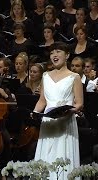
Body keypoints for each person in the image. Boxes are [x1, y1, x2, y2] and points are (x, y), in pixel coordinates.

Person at [32, 41, 83, 180]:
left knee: (63, 155)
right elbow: (42, 100)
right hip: (48, 121)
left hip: (65, 121)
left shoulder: (74, 77)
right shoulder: (45, 76)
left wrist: (69, 111)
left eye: (58, 51)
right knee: (46, 156)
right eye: (52, 52)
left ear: (67, 55)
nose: (54, 55)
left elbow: (79, 103)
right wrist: (34, 113)